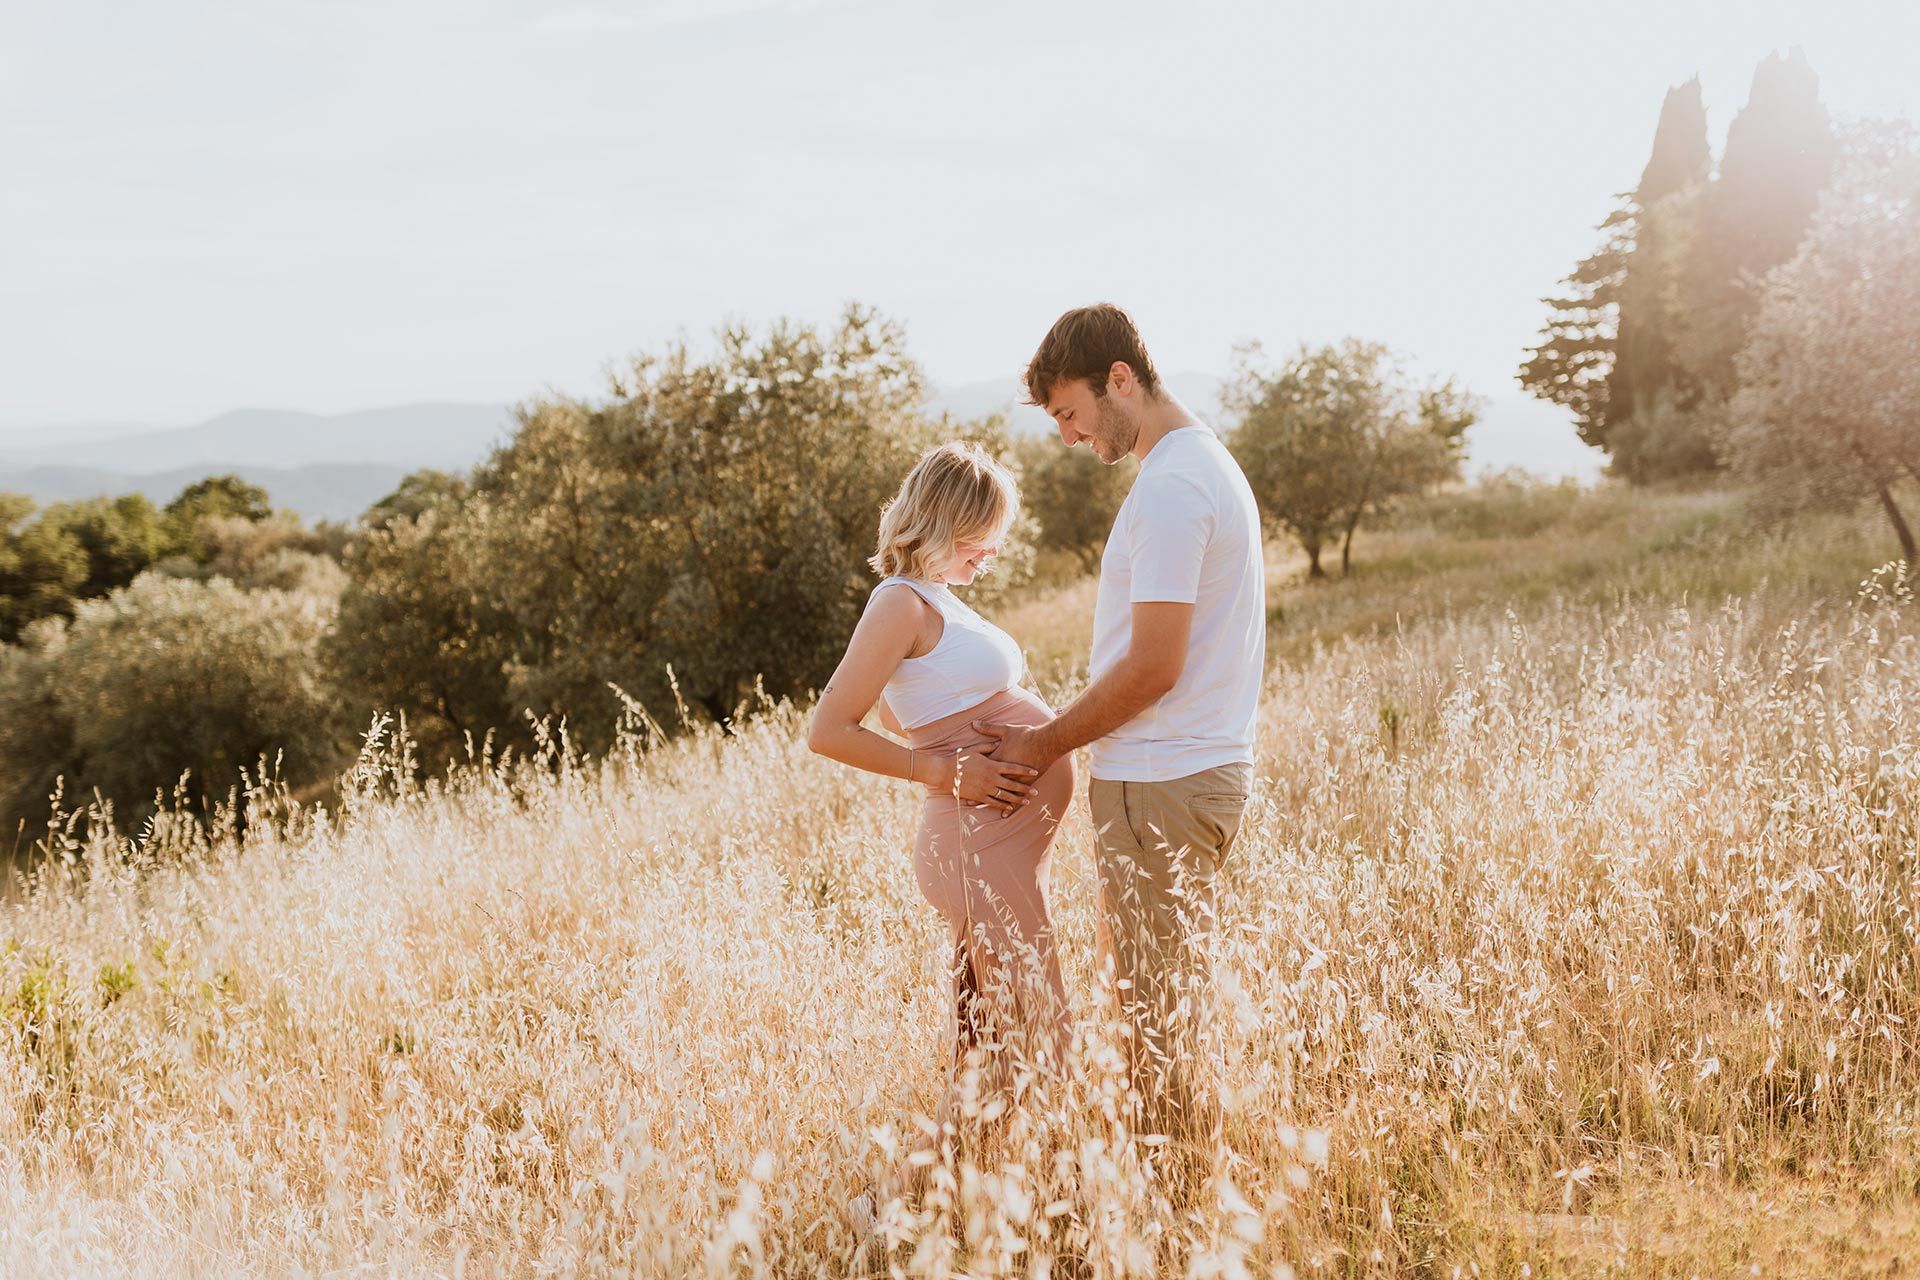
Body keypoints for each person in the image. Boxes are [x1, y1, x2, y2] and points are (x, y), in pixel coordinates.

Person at [974, 303, 1265, 1173]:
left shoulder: (1173, 486)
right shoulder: (1203, 465)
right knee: (1162, 1001)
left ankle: (1173, 1210)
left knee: (1155, 1020)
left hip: (1161, 784)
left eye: (1071, 411)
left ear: (1122, 380)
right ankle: (1176, 1191)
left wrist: (1044, 743)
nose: (1067, 434)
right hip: (1187, 776)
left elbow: (1153, 668)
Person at [807, 441, 1074, 1150]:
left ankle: (943, 1193)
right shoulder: (899, 602)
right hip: (976, 843)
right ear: (938, 520)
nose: (989, 554)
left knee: (985, 1040)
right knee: (1043, 1029)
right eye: (978, 539)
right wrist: (949, 771)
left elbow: (905, 707)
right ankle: (1062, 1195)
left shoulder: (937, 599)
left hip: (999, 846)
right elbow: (828, 731)